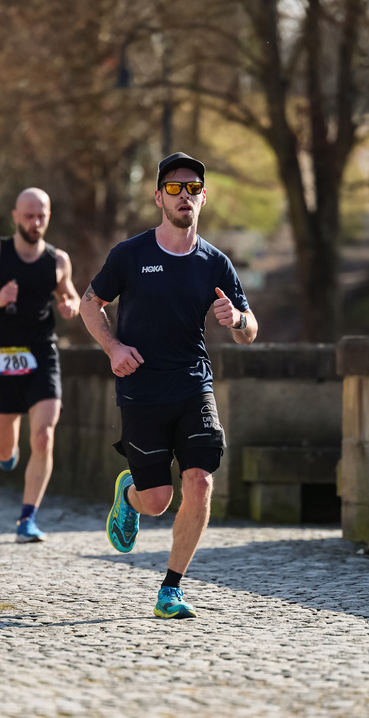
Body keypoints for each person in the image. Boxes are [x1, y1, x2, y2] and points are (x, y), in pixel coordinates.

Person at [80, 152, 258, 618]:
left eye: (193, 188)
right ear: (159, 197)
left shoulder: (215, 262)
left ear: (203, 197)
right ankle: (130, 495)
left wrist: (237, 320)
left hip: (194, 385)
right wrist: (114, 348)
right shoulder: (131, 255)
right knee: (158, 501)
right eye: (175, 188)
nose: (185, 196)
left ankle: (171, 589)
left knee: (200, 481)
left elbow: (249, 327)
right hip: (141, 390)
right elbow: (89, 303)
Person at [0, 188, 80, 542]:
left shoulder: (58, 260)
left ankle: (28, 519)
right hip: (3, 354)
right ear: (15, 216)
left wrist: (70, 305)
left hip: (42, 353)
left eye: (42, 216)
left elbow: (69, 293)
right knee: (4, 449)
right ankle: (6, 456)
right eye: (29, 216)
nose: (35, 223)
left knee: (43, 435)